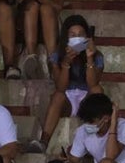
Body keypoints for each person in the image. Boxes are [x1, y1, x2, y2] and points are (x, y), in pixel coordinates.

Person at [33, 14, 104, 152]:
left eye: (80, 34)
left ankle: (95, 144)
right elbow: (60, 87)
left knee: (98, 90)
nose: (77, 38)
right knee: (58, 95)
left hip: (86, 99)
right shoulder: (57, 56)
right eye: (72, 35)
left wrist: (89, 59)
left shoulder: (98, 57)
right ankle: (43, 142)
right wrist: (66, 63)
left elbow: (93, 84)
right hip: (66, 100)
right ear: (66, 37)